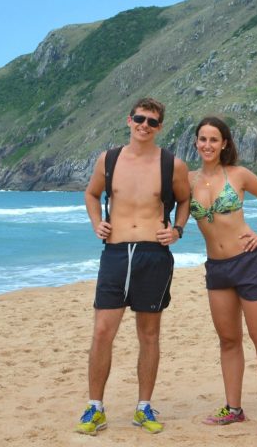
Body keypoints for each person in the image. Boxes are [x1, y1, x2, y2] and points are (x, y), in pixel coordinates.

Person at [77, 97, 191, 436]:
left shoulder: (172, 164)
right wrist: (97, 222)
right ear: (129, 120)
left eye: (152, 122)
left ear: (159, 127)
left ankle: (144, 407)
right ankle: (95, 407)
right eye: (139, 119)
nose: (144, 125)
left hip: (153, 256)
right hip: (114, 254)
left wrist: (178, 230)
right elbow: (91, 194)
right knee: (102, 332)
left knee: (149, 334)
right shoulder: (109, 160)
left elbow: (185, 199)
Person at [190, 116, 257, 435]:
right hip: (216, 268)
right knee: (228, 340)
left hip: (249, 262)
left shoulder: (238, 175)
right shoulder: (186, 181)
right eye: (202, 139)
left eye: (213, 140)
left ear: (225, 144)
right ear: (196, 142)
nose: (207, 145)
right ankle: (234, 409)